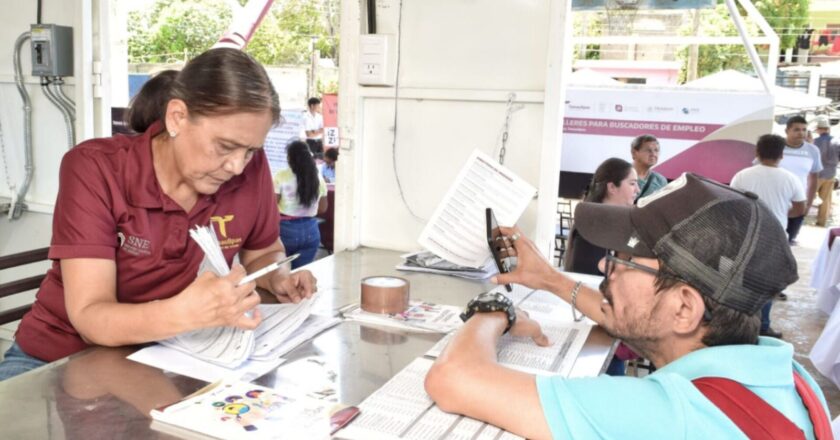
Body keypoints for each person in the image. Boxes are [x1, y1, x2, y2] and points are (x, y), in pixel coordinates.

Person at [425, 173, 830, 439]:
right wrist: (549, 279)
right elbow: (637, 317)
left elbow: (453, 377)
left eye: (623, 260)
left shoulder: (671, 417)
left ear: (684, 309)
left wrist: (496, 309)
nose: (604, 266)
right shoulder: (786, 377)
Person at [0, 48, 317, 381]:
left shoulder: (250, 170)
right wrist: (189, 312)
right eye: (224, 147)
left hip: (170, 354)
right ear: (177, 117)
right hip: (61, 359)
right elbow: (91, 317)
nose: (237, 166)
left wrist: (278, 277)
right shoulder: (96, 169)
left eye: (250, 150)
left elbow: (264, 252)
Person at [564, 158, 638, 376]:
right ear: (612, 187)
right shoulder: (592, 226)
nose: (637, 189)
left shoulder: (620, 223)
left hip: (609, 327)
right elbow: (590, 279)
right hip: (595, 328)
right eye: (632, 183)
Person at [730, 134, 806, 339]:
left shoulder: (742, 175)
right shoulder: (790, 178)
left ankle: (739, 323)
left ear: (757, 152)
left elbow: (733, 204)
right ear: (781, 155)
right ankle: (763, 325)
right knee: (767, 282)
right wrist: (779, 214)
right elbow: (800, 208)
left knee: (744, 281)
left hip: (747, 234)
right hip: (775, 236)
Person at [274, 140, 328, 269]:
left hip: (285, 230)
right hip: (311, 230)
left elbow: (272, 206)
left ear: (290, 157)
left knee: (283, 274)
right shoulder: (317, 178)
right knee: (301, 274)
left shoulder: (281, 176)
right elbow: (323, 208)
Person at [779, 115, 823, 244]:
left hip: (798, 202)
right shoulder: (776, 146)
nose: (801, 133)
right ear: (787, 131)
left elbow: (813, 178)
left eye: (804, 129)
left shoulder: (813, 150)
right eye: (797, 129)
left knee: (789, 241)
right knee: (769, 240)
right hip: (775, 200)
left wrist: (808, 203)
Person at [813, 116, 840, 226]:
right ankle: (821, 222)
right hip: (831, 173)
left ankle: (800, 219)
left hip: (817, 173)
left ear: (819, 129)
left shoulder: (815, 142)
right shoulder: (837, 142)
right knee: (825, 200)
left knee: (809, 197)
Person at [630, 134, 668, 200]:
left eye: (656, 150)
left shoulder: (660, 181)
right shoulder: (620, 175)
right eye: (648, 150)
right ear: (634, 153)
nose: (653, 154)